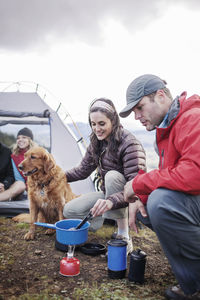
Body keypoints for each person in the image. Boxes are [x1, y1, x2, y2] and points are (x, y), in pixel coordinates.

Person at [119, 74, 200, 299]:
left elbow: (195, 175)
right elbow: (170, 178)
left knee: (161, 203)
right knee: (149, 206)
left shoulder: (193, 118)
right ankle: (189, 273)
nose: (137, 116)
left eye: (140, 108)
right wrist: (140, 196)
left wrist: (139, 184)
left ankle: (194, 285)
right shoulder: (167, 129)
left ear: (161, 96)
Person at [63, 98, 146, 253]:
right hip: (108, 195)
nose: (97, 129)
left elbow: (136, 186)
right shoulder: (96, 143)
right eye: (93, 124)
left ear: (113, 121)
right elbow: (82, 170)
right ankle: (101, 222)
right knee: (69, 210)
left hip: (130, 197)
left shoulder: (129, 143)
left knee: (112, 176)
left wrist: (110, 201)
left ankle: (123, 235)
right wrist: (55, 177)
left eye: (101, 124)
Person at [0, 127, 35, 202]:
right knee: (20, 184)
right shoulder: (14, 156)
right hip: (24, 186)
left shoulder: (39, 153)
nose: (20, 140)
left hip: (38, 184)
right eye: (18, 138)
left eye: (24, 137)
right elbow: (18, 178)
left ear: (30, 140)